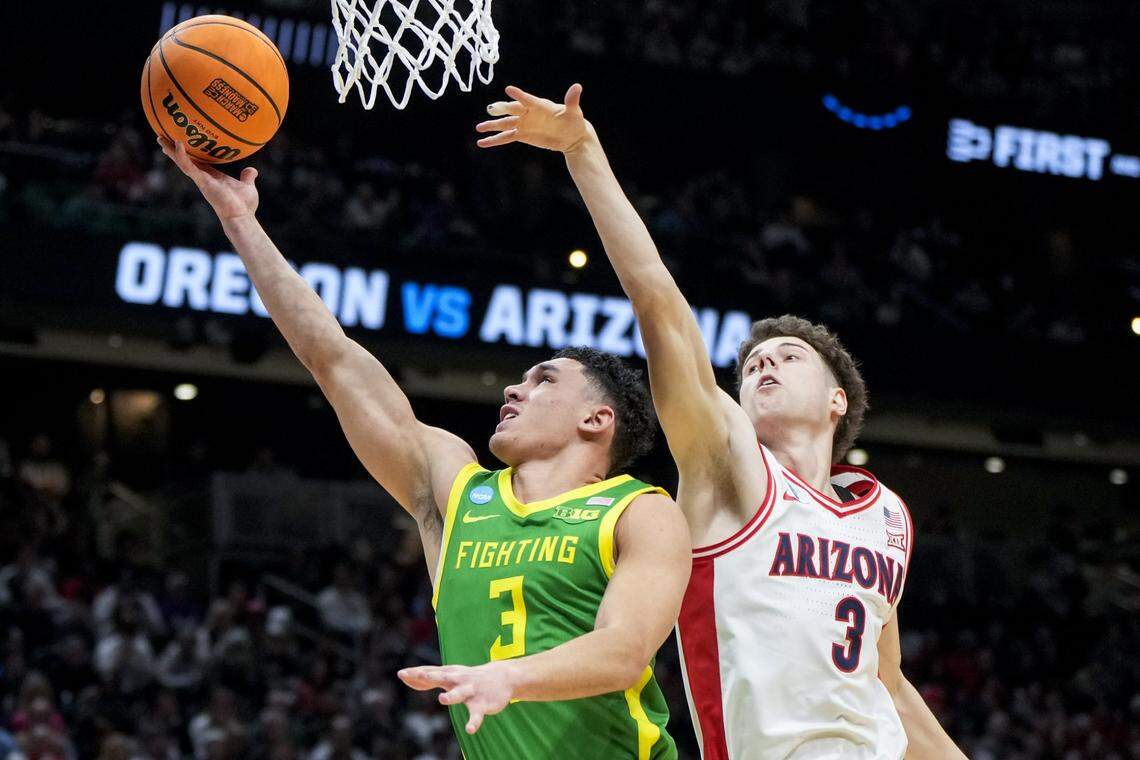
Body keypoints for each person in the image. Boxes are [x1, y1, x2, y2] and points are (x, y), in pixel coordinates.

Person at [476, 84, 967, 759]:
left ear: (837, 401)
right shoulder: (729, 464)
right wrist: (583, 150)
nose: (763, 367)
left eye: (787, 358)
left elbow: (886, 683)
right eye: (753, 364)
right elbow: (661, 307)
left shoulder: (886, 517)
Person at [159, 137, 690, 759]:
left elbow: (625, 653)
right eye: (521, 377)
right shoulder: (458, 491)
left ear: (597, 419)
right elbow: (335, 361)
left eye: (544, 379)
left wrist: (508, 677)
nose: (514, 388)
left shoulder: (640, 510)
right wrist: (240, 221)